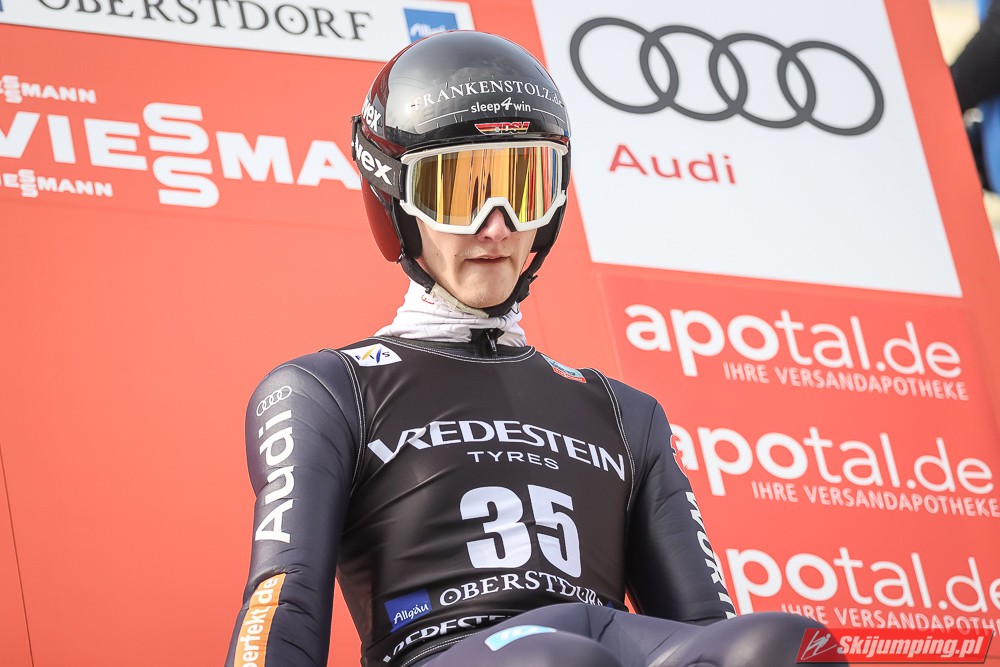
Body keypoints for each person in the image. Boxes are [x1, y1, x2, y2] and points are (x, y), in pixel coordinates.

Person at [225, 30, 843, 667]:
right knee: (554, 660)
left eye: (522, 187)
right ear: (396, 197)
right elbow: (283, 604)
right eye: (461, 191)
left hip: (603, 645)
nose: (497, 226)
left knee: (780, 646)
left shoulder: (626, 414)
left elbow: (707, 631)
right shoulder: (327, 390)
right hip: (451, 649)